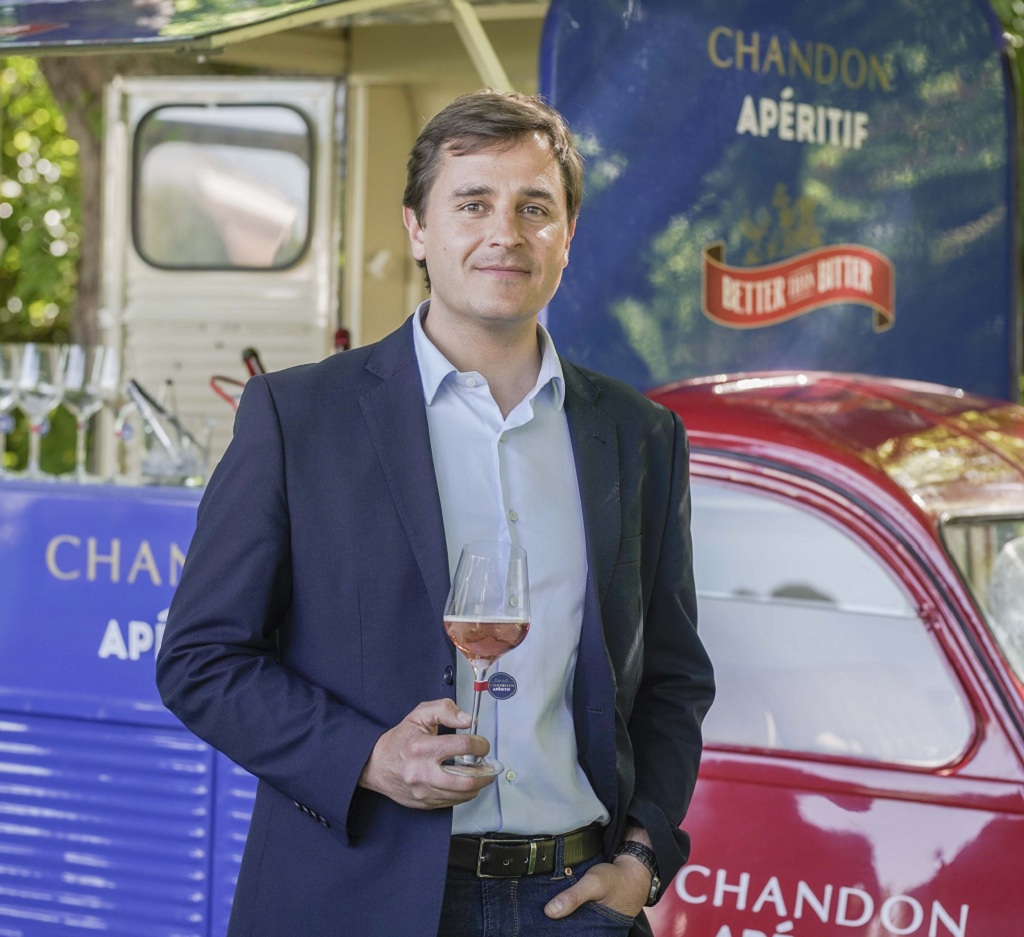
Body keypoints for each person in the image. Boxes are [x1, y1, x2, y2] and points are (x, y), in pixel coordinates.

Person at [156, 89, 714, 937]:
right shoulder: (297, 418)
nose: (506, 233)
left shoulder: (641, 436)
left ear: (568, 236)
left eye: (535, 207)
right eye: (473, 203)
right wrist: (370, 757)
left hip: (574, 903)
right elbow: (201, 660)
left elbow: (673, 679)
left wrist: (642, 857)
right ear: (418, 228)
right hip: (355, 898)